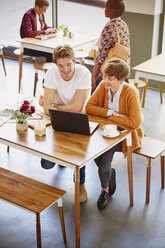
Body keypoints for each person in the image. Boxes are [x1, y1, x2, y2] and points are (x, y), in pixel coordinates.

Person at [86, 59, 143, 210]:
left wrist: (108, 117)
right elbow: (89, 107)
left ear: (121, 80)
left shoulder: (131, 92)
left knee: (105, 153)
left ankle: (104, 190)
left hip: (126, 135)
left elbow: (135, 123)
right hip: (104, 131)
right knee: (92, 150)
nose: (105, 81)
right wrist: (111, 113)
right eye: (104, 76)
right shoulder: (102, 86)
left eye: (110, 79)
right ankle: (109, 173)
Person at [40, 45, 91, 203]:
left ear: (74, 61)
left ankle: (80, 183)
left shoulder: (84, 73)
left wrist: (53, 107)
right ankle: (61, 158)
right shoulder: (51, 72)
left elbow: (77, 107)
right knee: (46, 165)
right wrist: (50, 108)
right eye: (61, 65)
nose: (66, 69)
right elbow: (46, 107)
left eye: (69, 64)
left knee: (77, 150)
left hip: (78, 117)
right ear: (56, 64)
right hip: (55, 117)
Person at [91, 0, 130, 91]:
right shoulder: (124, 25)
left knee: (97, 99)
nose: (104, 10)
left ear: (111, 10)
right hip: (120, 70)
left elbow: (102, 55)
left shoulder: (109, 27)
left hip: (108, 72)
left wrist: (94, 74)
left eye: (106, 7)